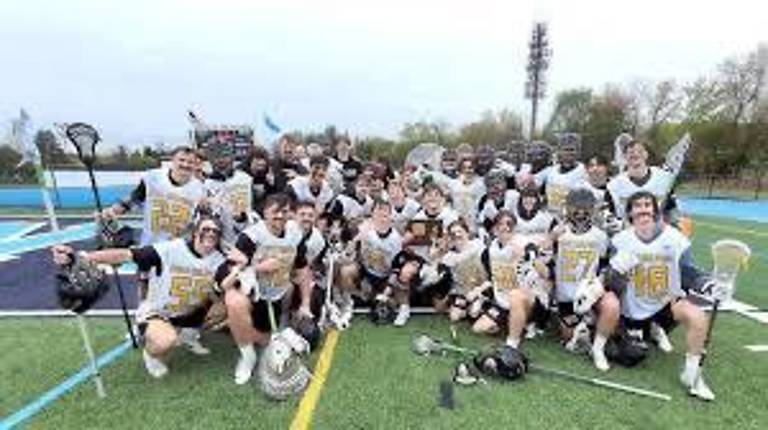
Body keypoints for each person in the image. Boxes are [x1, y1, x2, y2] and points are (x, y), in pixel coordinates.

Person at [51, 216, 226, 379]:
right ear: (195, 231)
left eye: (215, 231)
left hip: (188, 311)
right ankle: (150, 353)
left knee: (228, 306)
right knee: (166, 341)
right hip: (159, 311)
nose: (211, 233)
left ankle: (188, 334)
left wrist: (219, 301)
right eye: (206, 229)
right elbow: (128, 254)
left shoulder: (219, 260)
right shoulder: (170, 249)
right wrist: (83, 256)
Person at [607, 191, 719, 400]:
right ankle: (648, 332)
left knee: (697, 316)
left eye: (647, 205)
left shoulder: (675, 238)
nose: (643, 209)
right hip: (631, 309)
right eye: (637, 205)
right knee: (631, 356)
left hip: (664, 305)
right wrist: (618, 274)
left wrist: (707, 283)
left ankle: (692, 373)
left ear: (656, 210)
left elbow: (688, 272)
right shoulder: (620, 240)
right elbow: (610, 281)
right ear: (629, 212)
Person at [216, 193, 313, 384]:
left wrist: (306, 304)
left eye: (284, 212)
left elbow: (303, 270)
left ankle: (277, 330)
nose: (280, 216)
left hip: (278, 297)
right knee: (233, 300)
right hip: (255, 298)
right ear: (264, 213)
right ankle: (247, 356)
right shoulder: (251, 236)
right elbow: (228, 273)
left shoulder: (295, 233)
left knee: (291, 290)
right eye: (274, 212)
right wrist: (257, 268)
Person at [606, 139, 676, 223]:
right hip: (628, 232)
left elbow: (671, 211)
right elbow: (610, 215)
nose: (635, 154)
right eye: (631, 152)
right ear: (624, 156)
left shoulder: (664, 178)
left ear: (646, 154)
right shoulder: (613, 186)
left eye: (639, 151)